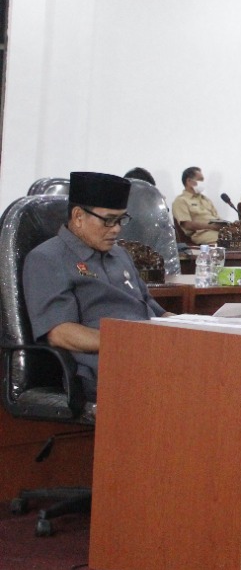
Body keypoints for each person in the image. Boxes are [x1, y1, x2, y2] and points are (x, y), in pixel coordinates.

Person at [23, 172, 169, 402]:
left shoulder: (120, 255)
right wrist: (127, 342)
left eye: (121, 220)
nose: (116, 229)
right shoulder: (48, 258)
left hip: (148, 352)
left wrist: (193, 326)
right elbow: (60, 332)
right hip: (104, 367)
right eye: (108, 220)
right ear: (78, 216)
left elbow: (152, 309)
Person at [172, 166, 222, 245]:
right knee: (225, 240)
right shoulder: (181, 201)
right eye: (200, 180)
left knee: (239, 237)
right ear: (189, 181)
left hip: (217, 231)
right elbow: (187, 225)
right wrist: (211, 226)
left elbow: (217, 219)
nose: (203, 183)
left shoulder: (206, 199)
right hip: (201, 234)